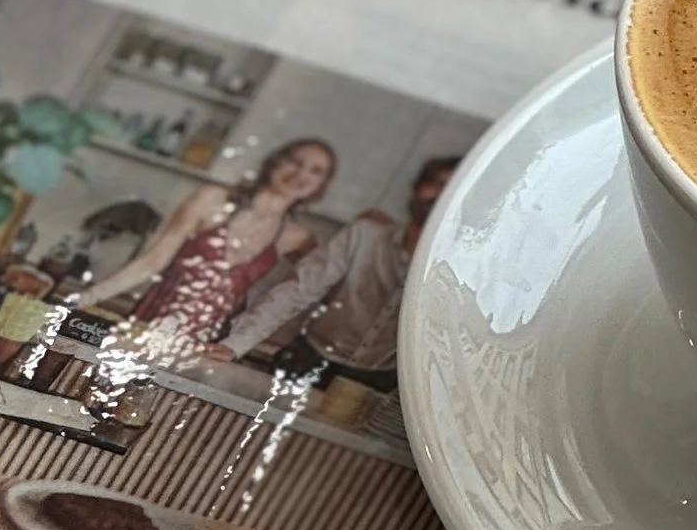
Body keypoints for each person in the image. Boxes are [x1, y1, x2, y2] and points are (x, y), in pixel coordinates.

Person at [215, 152, 460, 393]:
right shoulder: (364, 235)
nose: (441, 194)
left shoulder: (459, 271)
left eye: (452, 188)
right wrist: (235, 344)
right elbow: (298, 290)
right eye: (436, 184)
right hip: (308, 359)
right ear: (417, 188)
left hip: (378, 383)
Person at [90, 140, 338, 366]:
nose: (301, 174)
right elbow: (152, 261)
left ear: (321, 185)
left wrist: (254, 340)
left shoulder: (298, 238)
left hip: (211, 344)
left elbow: (313, 290)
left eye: (316, 171)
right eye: (295, 162)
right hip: (154, 320)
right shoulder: (213, 199)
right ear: (276, 161)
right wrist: (87, 297)